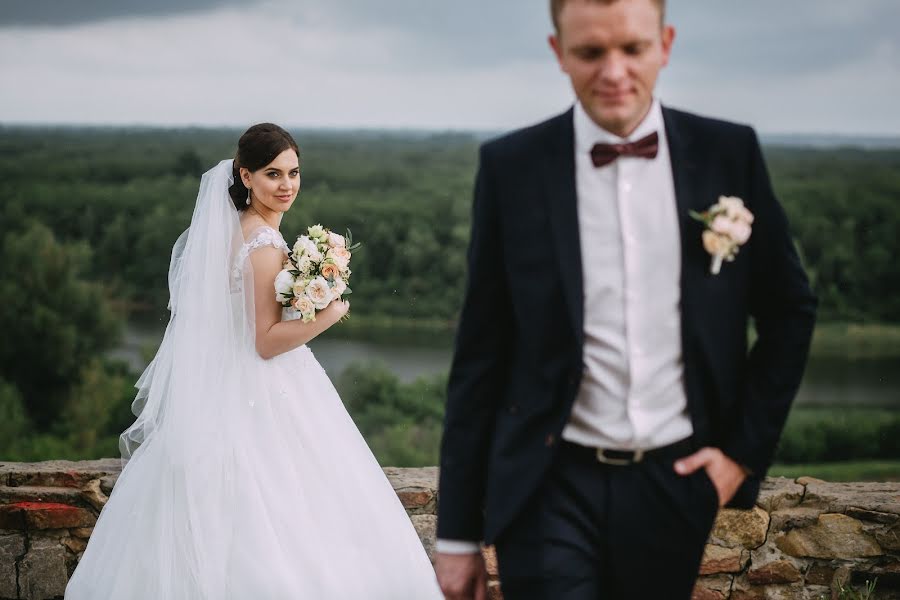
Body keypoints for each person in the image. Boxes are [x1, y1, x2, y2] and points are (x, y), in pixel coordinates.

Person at [435, 1, 817, 599]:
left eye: (632, 49)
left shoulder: (728, 153)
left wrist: (740, 455)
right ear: (559, 52)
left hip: (674, 482)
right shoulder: (511, 166)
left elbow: (790, 310)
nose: (613, 71)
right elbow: (480, 354)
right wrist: (456, 536)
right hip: (545, 479)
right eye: (590, 52)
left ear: (664, 44)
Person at [65, 123, 443, 599]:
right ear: (245, 177)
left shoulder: (241, 232)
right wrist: (331, 311)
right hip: (262, 387)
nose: (286, 185)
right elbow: (265, 341)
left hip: (230, 386)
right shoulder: (263, 245)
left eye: (294, 172)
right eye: (272, 174)